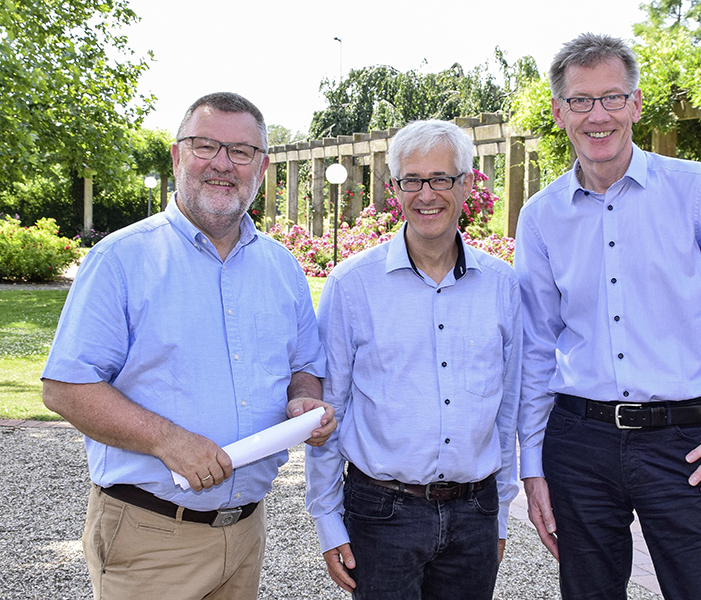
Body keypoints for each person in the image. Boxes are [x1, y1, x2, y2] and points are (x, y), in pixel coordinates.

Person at [514, 33, 701, 600]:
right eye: (580, 100)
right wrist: (533, 466)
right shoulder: (541, 216)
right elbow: (533, 346)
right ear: (559, 112)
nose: (597, 115)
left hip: (684, 447)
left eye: (612, 98)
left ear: (636, 104)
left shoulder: (697, 191)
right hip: (577, 445)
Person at [41, 92, 334, 600]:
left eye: (241, 152)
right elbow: (65, 388)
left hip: (246, 533)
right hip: (151, 536)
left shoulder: (281, 268)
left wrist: (302, 400)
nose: (223, 164)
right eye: (205, 146)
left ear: (261, 168)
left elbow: (304, 366)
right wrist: (168, 441)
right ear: (177, 156)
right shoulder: (120, 260)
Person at [305, 119, 522, 600]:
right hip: (381, 514)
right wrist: (326, 518)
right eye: (412, 180)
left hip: (475, 514)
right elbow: (328, 408)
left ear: (466, 184)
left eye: (441, 178)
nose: (427, 194)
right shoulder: (351, 285)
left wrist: (502, 509)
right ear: (395, 188)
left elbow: (507, 410)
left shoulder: (502, 286)